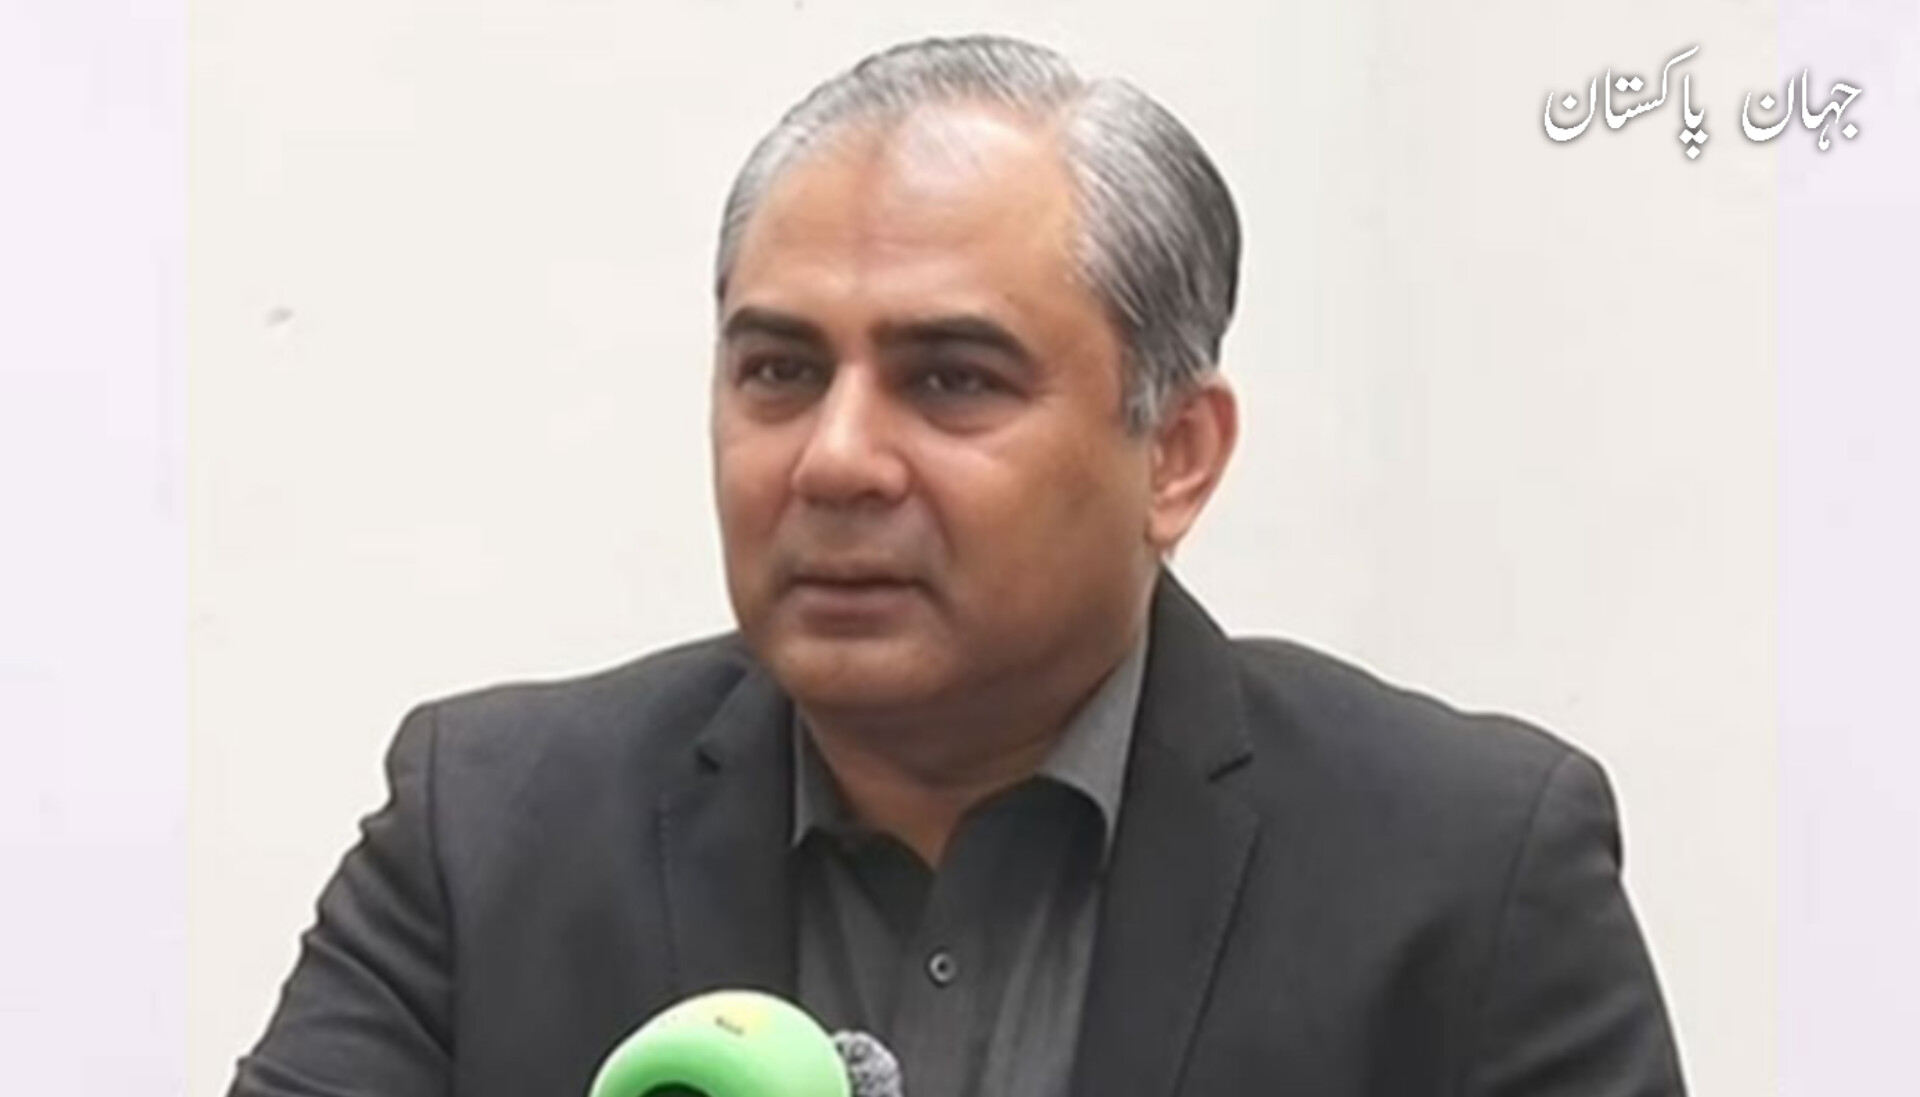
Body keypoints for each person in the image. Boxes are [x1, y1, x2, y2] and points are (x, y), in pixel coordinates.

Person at [228, 34, 1687, 1097]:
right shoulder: (488, 837)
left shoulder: (1463, 874)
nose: (836, 458)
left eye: (951, 380)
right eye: (781, 371)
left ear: (1175, 456)